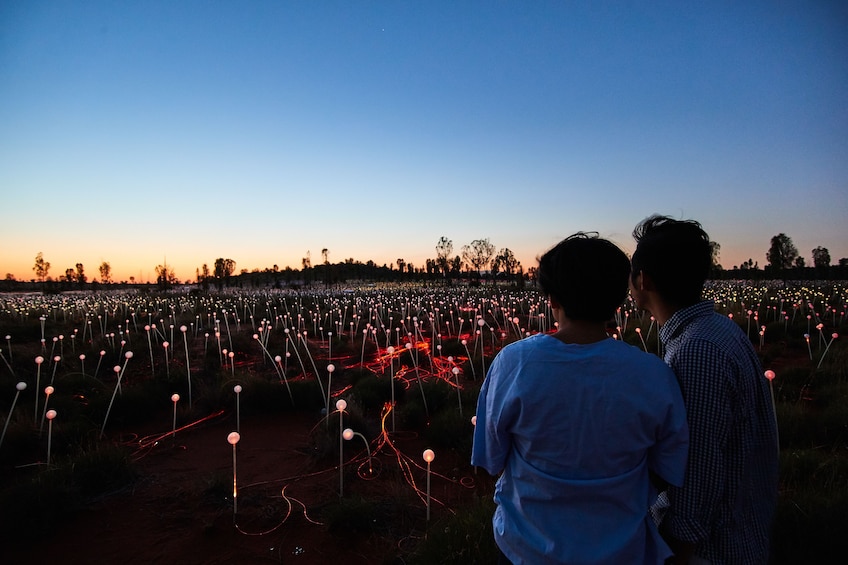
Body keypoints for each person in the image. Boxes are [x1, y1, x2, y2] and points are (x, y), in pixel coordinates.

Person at [472, 233, 689, 564]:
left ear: (553, 299)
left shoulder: (514, 364)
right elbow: (668, 469)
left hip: (525, 549)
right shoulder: (653, 375)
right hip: (625, 551)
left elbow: (490, 459)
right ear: (619, 299)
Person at [629, 215, 779, 565]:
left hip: (713, 549)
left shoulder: (698, 351)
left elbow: (698, 465)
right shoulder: (716, 331)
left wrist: (679, 552)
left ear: (643, 279)